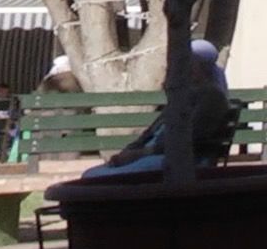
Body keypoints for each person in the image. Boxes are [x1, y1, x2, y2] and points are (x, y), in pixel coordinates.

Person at [83, 46, 231, 177]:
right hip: (154, 156)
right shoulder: (183, 97)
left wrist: (140, 154)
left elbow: (188, 140)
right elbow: (149, 134)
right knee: (92, 175)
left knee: (97, 178)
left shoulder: (211, 97)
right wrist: (128, 152)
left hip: (179, 160)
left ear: (198, 68)